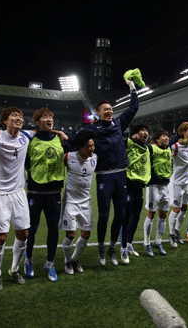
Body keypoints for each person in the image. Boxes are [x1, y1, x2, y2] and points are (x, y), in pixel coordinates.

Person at [67, 75, 141, 266]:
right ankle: (101, 249)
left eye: (110, 109)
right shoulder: (93, 129)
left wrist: (132, 88)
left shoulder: (118, 123)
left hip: (121, 175)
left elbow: (133, 108)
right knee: (105, 215)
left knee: (121, 215)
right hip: (104, 177)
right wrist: (60, 138)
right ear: (98, 113)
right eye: (105, 110)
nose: (109, 111)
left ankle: (112, 248)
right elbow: (72, 141)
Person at [0, 107, 36, 290]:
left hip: (19, 192)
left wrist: (59, 132)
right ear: (5, 120)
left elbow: (42, 131)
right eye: (14, 116)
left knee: (24, 234)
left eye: (20, 116)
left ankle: (14, 269)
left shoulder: (26, 136)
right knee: (2, 237)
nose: (19, 118)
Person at [23, 108, 68, 282]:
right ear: (37, 121)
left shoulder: (60, 139)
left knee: (53, 229)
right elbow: (25, 163)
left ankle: (50, 264)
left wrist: (62, 134)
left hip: (54, 192)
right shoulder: (30, 140)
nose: (49, 119)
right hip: (36, 191)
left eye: (51, 116)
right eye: (45, 117)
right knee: (32, 229)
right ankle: (28, 260)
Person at [61, 130, 97, 274]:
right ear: (80, 147)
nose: (92, 149)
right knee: (70, 235)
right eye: (88, 146)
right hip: (70, 200)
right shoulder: (68, 157)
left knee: (86, 234)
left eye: (93, 145)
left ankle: (74, 259)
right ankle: (66, 261)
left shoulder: (95, 158)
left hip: (85, 202)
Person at [120, 122, 151, 264]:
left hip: (140, 187)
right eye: (142, 131)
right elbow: (117, 140)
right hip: (128, 186)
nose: (145, 133)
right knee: (126, 218)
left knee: (136, 217)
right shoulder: (128, 143)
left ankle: (129, 243)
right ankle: (123, 248)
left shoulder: (147, 148)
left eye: (146, 131)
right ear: (135, 133)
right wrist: (130, 139)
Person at [143, 130, 172, 256]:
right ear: (157, 140)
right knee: (151, 213)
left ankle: (158, 241)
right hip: (153, 185)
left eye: (167, 136)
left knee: (164, 213)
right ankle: (147, 242)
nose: (166, 138)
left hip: (166, 185)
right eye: (163, 136)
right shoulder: (151, 148)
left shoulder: (169, 149)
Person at [168, 122, 188, 247]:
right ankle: (171, 234)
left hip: (187, 182)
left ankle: (177, 231)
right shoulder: (175, 147)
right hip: (177, 183)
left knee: (184, 209)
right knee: (176, 209)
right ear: (183, 132)